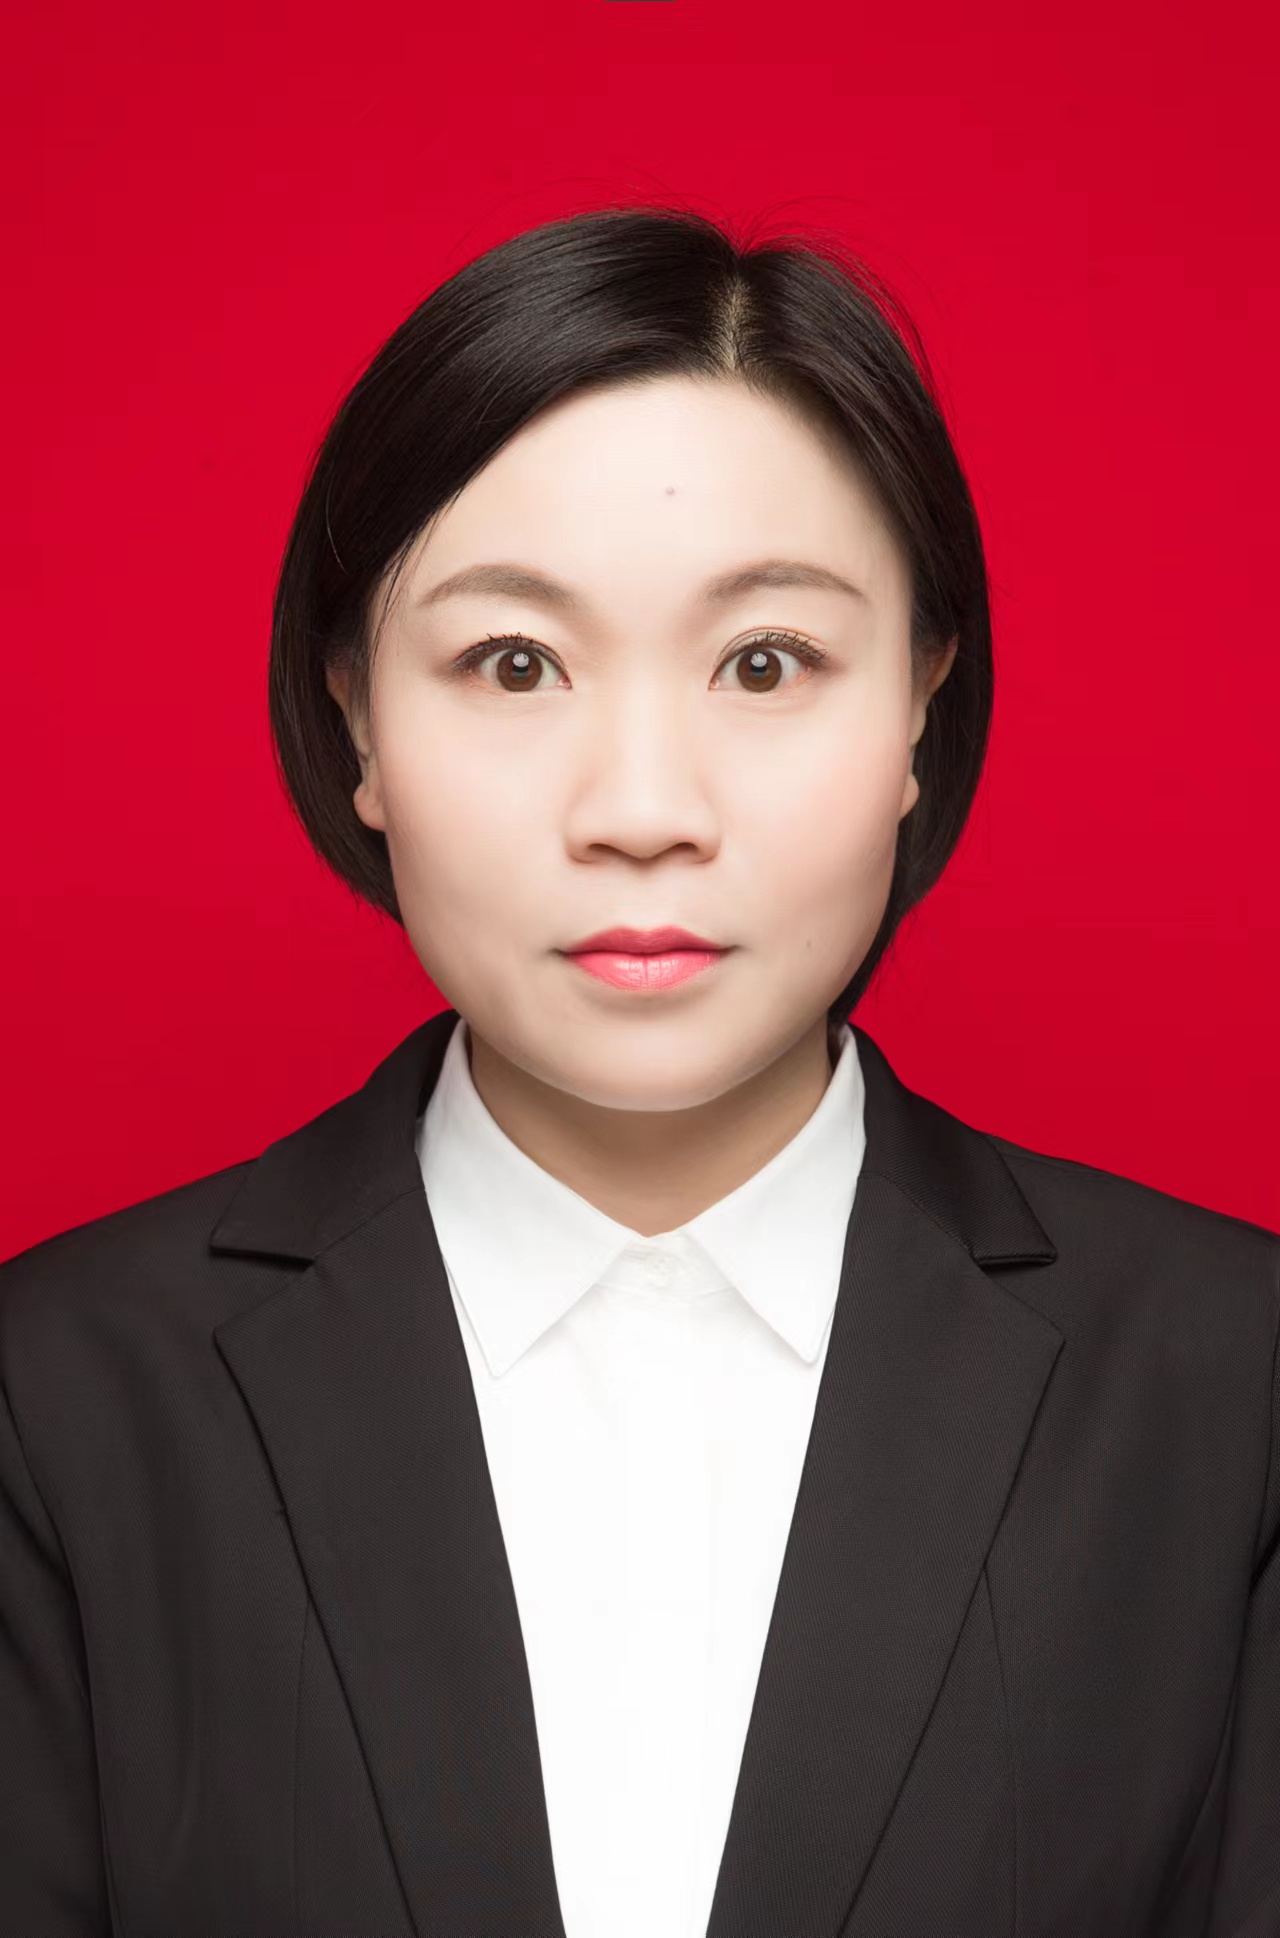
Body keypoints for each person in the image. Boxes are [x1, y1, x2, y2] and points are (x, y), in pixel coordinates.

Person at [1, 202, 1276, 1938]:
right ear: (360, 715)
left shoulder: (1231, 1387)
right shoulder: (61, 1394)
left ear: (920, 699)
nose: (644, 809)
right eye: (514, 662)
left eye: (765, 662)